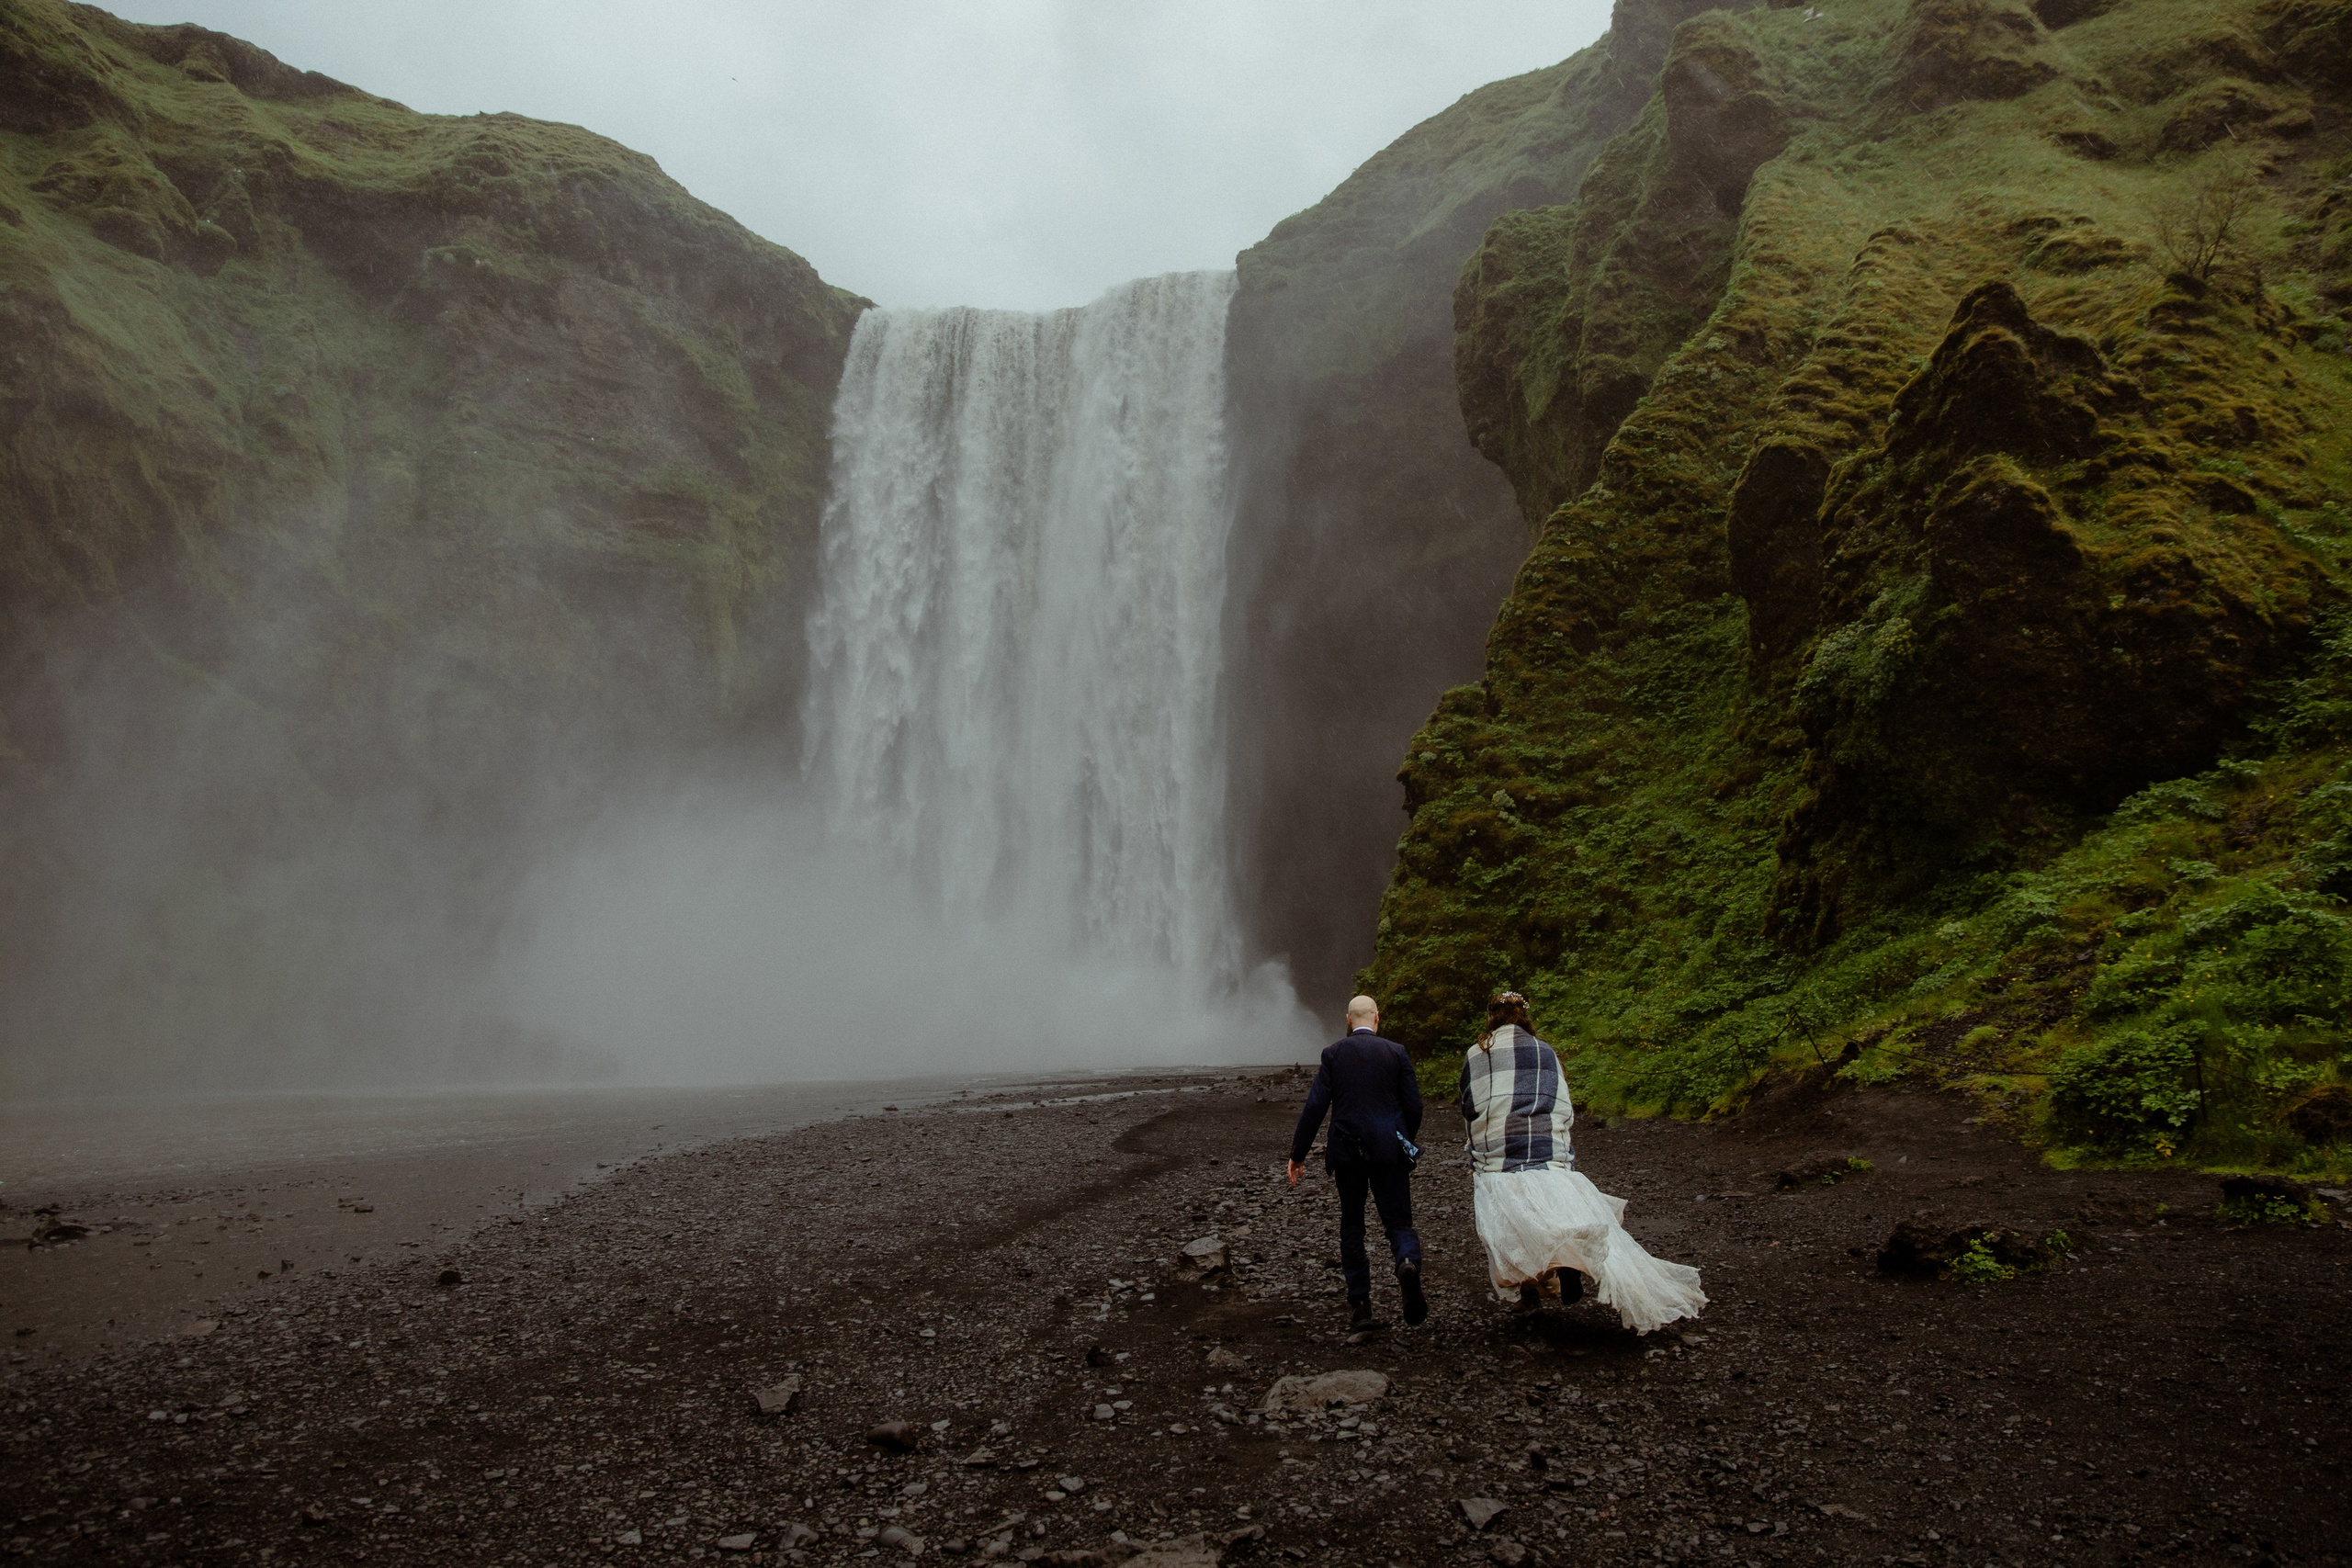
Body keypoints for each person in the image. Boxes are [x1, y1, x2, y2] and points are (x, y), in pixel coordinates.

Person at [1458, 990, 1704, 1334]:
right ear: (1523, 1017)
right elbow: (1562, 1103)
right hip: (1546, 1148)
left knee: (1511, 1222)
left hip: (1499, 1153)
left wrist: (1483, 1133)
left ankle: (1529, 1296)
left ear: (1491, 1017)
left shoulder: (1475, 1054)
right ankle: (1568, 1262)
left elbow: (1470, 1105)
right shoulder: (1546, 1051)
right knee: (1556, 1208)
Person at [1287, 994, 1427, 1331]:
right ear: (1377, 1018)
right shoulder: (1396, 1052)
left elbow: (1316, 1106)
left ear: (1348, 1020)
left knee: (1352, 1225)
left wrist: (1298, 1153)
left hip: (1347, 1152)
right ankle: (1406, 1262)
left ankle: (1361, 1306)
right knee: (1398, 1223)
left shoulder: (1334, 1054)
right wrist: (1402, 1137)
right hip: (1388, 1150)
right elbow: (1415, 1106)